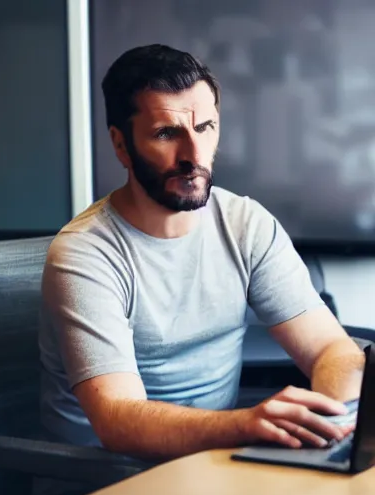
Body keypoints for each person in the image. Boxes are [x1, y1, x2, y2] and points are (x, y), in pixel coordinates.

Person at [37, 44, 364, 460]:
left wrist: (335, 422)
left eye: (206, 127)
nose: (194, 156)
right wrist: (245, 425)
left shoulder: (246, 225)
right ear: (121, 145)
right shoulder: (85, 255)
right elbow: (116, 419)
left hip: (213, 467)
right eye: (166, 133)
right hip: (103, 483)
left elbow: (330, 349)